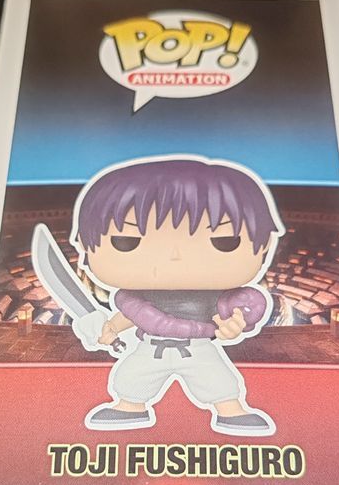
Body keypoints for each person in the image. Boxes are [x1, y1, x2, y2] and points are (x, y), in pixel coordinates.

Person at [69, 155, 284, 436]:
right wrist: (111, 327)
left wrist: (232, 327)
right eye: (127, 241)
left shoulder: (214, 295)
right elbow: (133, 314)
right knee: (131, 377)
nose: (175, 256)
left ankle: (231, 410)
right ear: (84, 244)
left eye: (224, 241)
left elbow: (226, 317)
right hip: (151, 346)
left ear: (265, 245)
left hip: (198, 346)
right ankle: (129, 406)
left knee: (218, 380)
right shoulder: (137, 296)